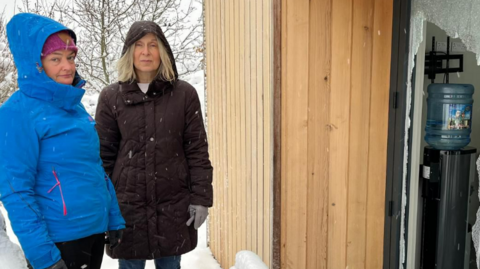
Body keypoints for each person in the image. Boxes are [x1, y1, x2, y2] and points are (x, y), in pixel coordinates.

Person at [0, 13, 126, 269]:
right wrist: (43, 255)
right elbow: (16, 191)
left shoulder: (75, 108)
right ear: (35, 64)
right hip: (59, 241)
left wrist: (113, 218)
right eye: (55, 59)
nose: (67, 67)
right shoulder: (17, 113)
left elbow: (95, 169)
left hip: (93, 232)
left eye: (70, 58)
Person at [95, 21, 213, 269]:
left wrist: (201, 198)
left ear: (163, 51)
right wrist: (101, 204)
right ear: (129, 51)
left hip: (173, 207)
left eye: (152, 45)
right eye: (139, 45)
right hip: (127, 209)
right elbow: (102, 158)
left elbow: (197, 151)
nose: (146, 52)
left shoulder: (184, 95)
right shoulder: (111, 97)